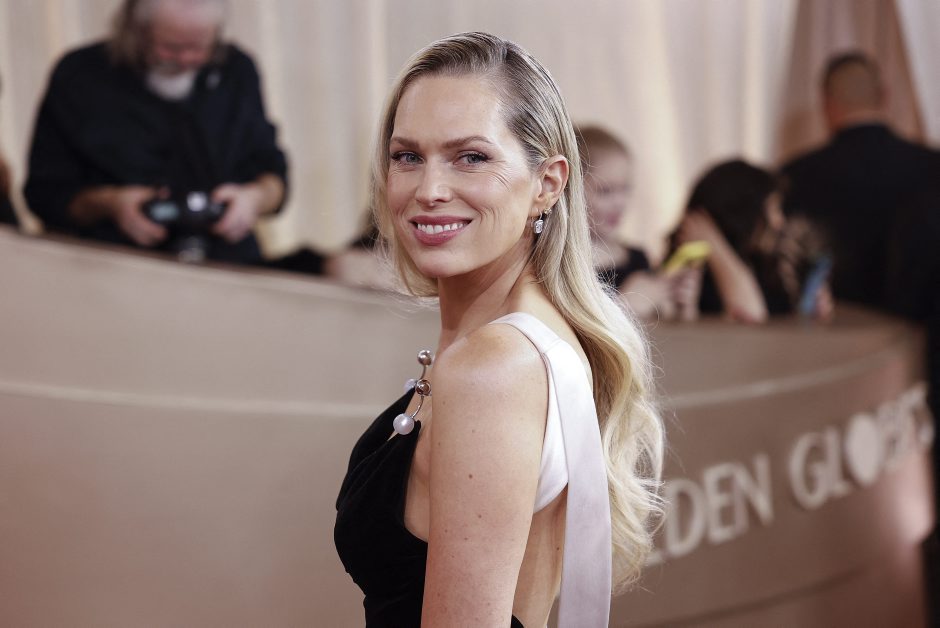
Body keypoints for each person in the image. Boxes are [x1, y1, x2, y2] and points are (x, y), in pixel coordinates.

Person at [334, 32, 663, 627]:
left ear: (547, 184)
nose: (429, 190)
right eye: (408, 156)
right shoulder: (528, 337)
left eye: (471, 157)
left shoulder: (494, 366)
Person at [23, 0, 287, 264]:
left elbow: (274, 175)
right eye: (171, 47)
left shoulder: (237, 70)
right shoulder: (79, 76)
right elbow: (44, 194)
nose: (186, 59)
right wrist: (111, 203)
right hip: (112, 263)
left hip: (227, 263)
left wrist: (254, 199)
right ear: (136, 31)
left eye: (199, 47)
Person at [782, 51, 940, 309]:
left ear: (827, 103)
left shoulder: (796, 175)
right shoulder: (932, 166)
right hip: (922, 323)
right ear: (884, 95)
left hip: (835, 325)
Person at [674, 159, 832, 323]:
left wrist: (812, 316)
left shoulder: (765, 270)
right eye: (773, 209)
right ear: (745, 213)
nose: (779, 222)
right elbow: (751, 314)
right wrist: (713, 243)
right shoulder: (692, 274)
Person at [577, 124, 700, 321]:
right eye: (605, 191)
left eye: (625, 189)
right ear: (570, 192)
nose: (620, 203)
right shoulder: (563, 266)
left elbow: (663, 328)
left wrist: (683, 306)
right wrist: (623, 306)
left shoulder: (638, 259)